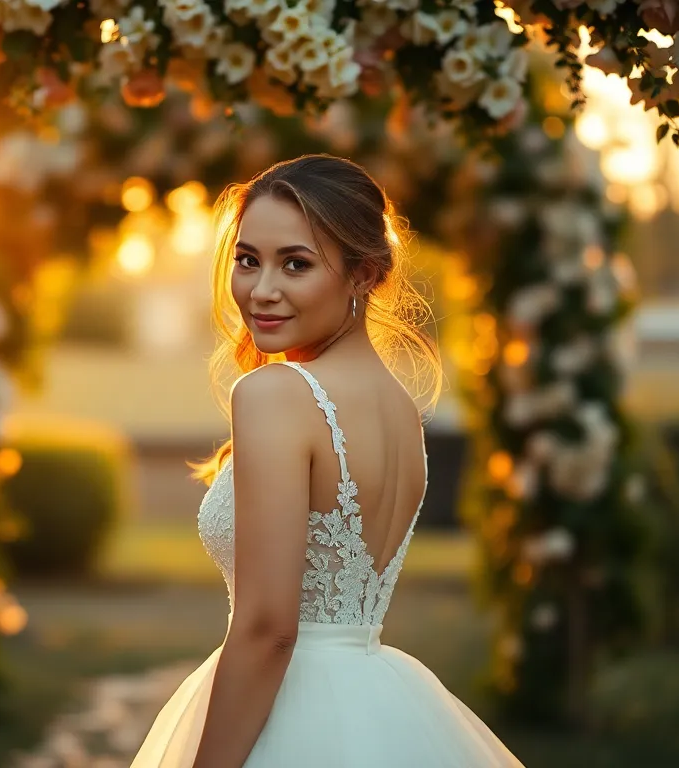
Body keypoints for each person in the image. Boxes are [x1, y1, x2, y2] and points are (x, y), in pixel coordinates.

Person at [129, 155, 525, 767]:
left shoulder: (274, 394)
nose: (261, 290)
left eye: (296, 264)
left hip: (289, 710)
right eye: (247, 260)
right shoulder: (401, 412)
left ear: (363, 273)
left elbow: (269, 629)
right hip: (377, 707)